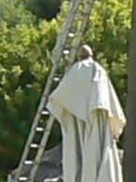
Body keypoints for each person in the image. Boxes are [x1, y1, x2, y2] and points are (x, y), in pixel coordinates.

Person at [48, 46, 126, 182]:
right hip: (96, 117)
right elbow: (105, 102)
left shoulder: (73, 73)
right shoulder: (98, 71)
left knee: (76, 154)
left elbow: (59, 99)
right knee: (96, 152)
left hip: (77, 122)